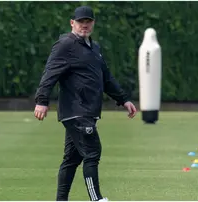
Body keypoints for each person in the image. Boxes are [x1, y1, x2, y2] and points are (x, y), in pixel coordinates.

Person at [34, 5, 137, 201]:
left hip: (88, 110)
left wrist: (123, 99)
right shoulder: (65, 44)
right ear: (72, 23)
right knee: (92, 152)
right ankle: (96, 198)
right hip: (76, 110)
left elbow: (106, 78)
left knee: (72, 159)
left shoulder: (94, 47)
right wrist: (42, 100)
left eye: (88, 22)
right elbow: (50, 73)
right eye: (81, 22)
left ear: (93, 24)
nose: (85, 25)